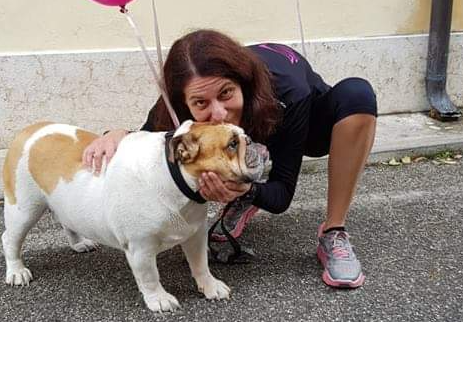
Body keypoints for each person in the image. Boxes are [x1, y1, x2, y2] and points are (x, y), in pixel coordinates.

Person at [84, 30, 377, 288]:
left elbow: (281, 197)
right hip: (251, 129)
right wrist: (116, 134)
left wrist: (248, 189)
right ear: (182, 101)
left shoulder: (289, 92)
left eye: (226, 93)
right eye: (200, 103)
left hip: (303, 124)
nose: (219, 114)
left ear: (243, 82)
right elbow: (147, 139)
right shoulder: (178, 99)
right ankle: (241, 191)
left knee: (357, 94)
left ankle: (333, 231)